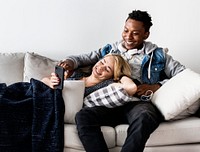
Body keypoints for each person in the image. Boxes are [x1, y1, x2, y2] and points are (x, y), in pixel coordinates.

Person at [58, 10, 186, 152]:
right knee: (83, 116)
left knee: (146, 116)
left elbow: (183, 75)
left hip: (136, 103)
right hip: (109, 102)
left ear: (146, 34)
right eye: (125, 30)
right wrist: (69, 62)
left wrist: (156, 86)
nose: (128, 37)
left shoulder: (158, 55)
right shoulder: (110, 49)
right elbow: (82, 59)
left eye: (135, 33)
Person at [42, 54, 137, 98]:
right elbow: (43, 80)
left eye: (107, 69)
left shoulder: (107, 84)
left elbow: (131, 88)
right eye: (102, 62)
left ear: (113, 76)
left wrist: (121, 77)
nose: (100, 68)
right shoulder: (77, 72)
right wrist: (50, 82)